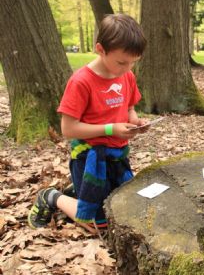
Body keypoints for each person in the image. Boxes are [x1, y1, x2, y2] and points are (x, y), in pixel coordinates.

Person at [28, 14, 148, 233]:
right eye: (122, 62)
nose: (128, 68)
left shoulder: (126, 76)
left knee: (127, 209)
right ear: (100, 49)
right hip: (90, 157)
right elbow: (68, 129)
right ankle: (52, 197)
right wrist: (111, 129)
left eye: (133, 62)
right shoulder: (81, 81)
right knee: (99, 225)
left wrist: (135, 121)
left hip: (117, 155)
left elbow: (129, 106)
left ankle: (80, 189)